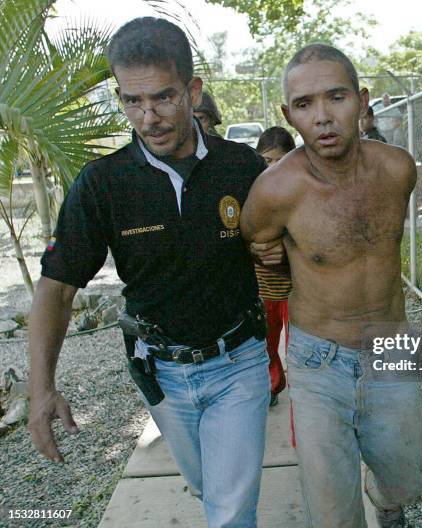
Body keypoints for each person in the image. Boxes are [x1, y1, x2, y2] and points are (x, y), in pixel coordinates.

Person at [27, 17, 272, 527]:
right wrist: (42, 387)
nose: (148, 116)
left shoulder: (242, 168)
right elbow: (55, 288)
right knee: (210, 487)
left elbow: (290, 244)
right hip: (160, 374)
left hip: (239, 362)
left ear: (192, 89)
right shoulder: (102, 184)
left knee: (230, 511)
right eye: (132, 101)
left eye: (163, 97)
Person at [241, 43, 422, 528]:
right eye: (304, 105)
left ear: (362, 102)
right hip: (317, 360)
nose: (322, 117)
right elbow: (262, 260)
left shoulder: (398, 169)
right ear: (288, 114)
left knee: (406, 481)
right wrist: (274, 261)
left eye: (336, 98)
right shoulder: (274, 192)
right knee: (331, 514)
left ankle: (386, 500)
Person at [254, 126, 296, 406]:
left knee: (300, 348)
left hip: (298, 289)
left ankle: (304, 392)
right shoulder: (254, 191)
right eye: (267, 161)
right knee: (266, 345)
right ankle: (273, 383)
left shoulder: (302, 189)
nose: (273, 168)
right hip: (264, 288)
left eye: (279, 161)